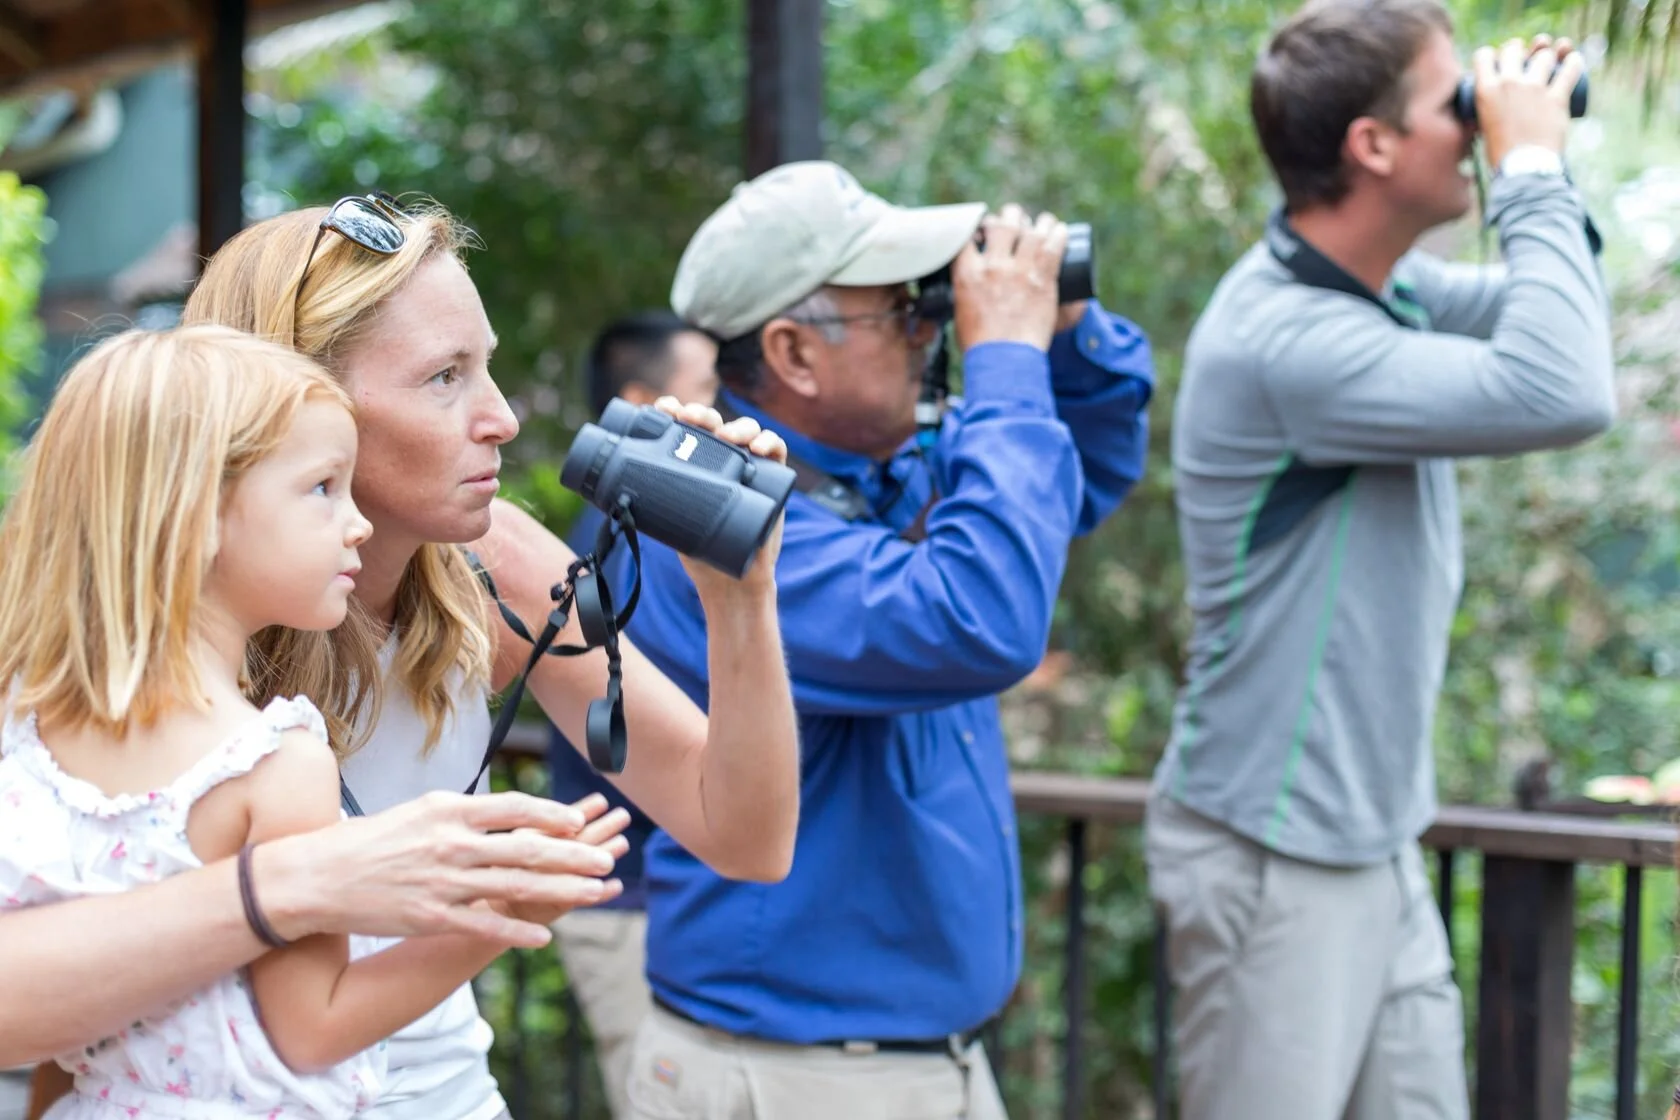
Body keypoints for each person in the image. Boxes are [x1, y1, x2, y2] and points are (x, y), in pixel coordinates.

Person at [9, 192, 801, 1120]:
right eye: (444, 378)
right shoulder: (90, 631)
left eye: (487, 370)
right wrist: (297, 886)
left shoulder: (492, 564)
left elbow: (746, 836)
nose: (501, 419)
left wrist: (740, 599)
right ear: (287, 398)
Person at [1144, 3, 1615, 1117]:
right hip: (1272, 850)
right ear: (1372, 145)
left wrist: (1531, 155)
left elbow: (1568, 318)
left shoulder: (1383, 296)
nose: (1477, 125)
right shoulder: (1289, 340)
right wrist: (1532, 160)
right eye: (1457, 103)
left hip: (1370, 843)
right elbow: (1567, 389)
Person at [617, 161, 1155, 1120]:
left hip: (902, 1059)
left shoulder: (878, 473)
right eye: (901, 311)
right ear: (794, 352)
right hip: (789, 1070)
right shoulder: (717, 512)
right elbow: (979, 616)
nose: (932, 326)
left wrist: (1058, 334)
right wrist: (1006, 363)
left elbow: (1092, 462)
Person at [0, 325, 629, 1118]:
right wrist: (501, 916)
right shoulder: (275, 759)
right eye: (324, 487)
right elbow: (313, 1029)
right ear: (199, 514)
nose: (357, 522)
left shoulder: (25, 716)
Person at [549, 310, 718, 1120]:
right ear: (645, 404)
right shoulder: (631, 540)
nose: (730, 415)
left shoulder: (618, 526)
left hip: (646, 896)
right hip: (634, 906)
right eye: (710, 390)